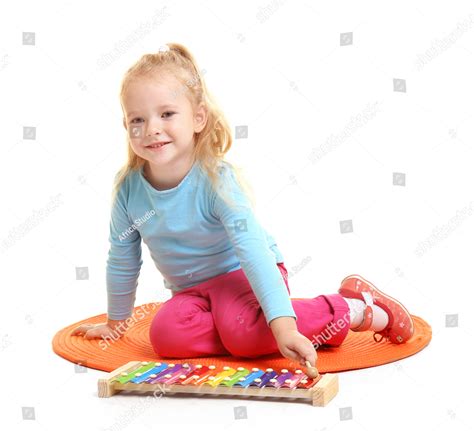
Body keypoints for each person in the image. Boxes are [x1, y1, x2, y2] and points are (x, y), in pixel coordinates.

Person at [72, 43, 415, 367]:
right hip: (193, 293)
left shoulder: (215, 182)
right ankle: (244, 328)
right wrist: (117, 321)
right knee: (166, 336)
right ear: (126, 126)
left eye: (167, 114)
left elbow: (252, 252)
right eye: (138, 120)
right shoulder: (129, 190)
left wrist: (282, 326)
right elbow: (122, 259)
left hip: (246, 274)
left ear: (198, 118)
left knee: (245, 335)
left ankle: (354, 309)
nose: (152, 129)